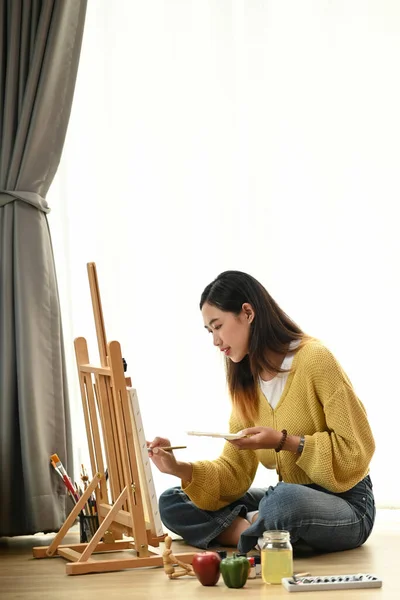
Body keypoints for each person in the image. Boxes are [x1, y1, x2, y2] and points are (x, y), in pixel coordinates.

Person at [148, 271, 375, 554]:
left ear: (247, 312)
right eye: (210, 331)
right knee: (174, 500)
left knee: (281, 500)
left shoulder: (314, 359)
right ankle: (264, 534)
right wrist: (178, 468)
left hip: (348, 503)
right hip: (291, 499)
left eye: (218, 326)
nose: (215, 341)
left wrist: (284, 442)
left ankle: (260, 528)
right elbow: (234, 472)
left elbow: (357, 451)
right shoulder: (246, 380)